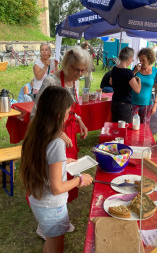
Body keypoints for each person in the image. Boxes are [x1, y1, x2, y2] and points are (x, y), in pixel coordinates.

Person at [20, 86, 93, 253]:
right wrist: (80, 180)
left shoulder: (35, 133)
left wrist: (62, 162)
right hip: (52, 206)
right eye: (68, 114)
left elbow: (42, 161)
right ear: (59, 115)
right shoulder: (57, 142)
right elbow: (57, 188)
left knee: (51, 242)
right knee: (56, 246)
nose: (68, 118)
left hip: (39, 201)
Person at [31, 45, 92, 203]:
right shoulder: (52, 81)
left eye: (83, 70)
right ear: (66, 65)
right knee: (55, 174)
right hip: (52, 134)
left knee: (69, 169)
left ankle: (63, 204)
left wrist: (80, 120)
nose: (79, 74)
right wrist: (56, 132)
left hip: (69, 132)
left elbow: (72, 108)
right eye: (76, 69)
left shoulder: (75, 82)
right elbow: (36, 115)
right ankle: (54, 206)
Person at [110, 47, 141, 123]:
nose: (131, 61)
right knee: (124, 130)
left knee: (116, 128)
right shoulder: (128, 72)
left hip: (115, 103)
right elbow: (137, 90)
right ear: (129, 58)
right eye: (132, 59)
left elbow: (111, 82)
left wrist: (132, 74)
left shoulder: (114, 69)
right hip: (124, 106)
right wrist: (139, 80)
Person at [131, 48, 157, 124]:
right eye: (140, 60)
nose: (141, 62)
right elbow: (129, 82)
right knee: (133, 125)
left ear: (149, 59)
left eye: (143, 60)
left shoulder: (155, 71)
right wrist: (134, 72)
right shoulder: (136, 70)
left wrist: (155, 104)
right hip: (134, 102)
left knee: (144, 126)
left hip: (147, 104)